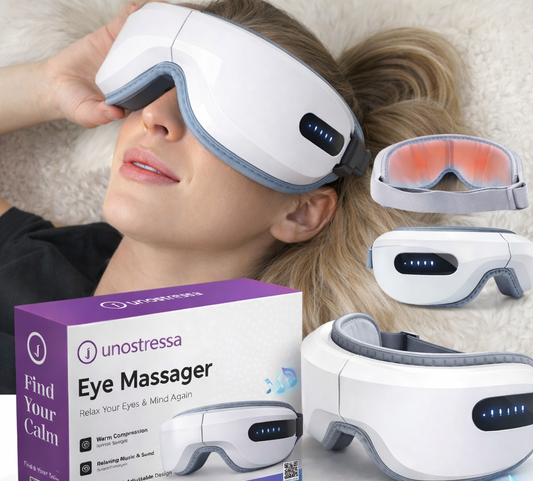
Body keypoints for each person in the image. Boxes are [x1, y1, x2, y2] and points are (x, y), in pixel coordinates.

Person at [0, 0, 469, 394]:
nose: (155, 116)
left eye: (222, 113)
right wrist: (48, 83)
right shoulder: (39, 259)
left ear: (302, 212)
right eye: (154, 82)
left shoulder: (256, 401)